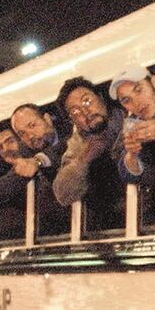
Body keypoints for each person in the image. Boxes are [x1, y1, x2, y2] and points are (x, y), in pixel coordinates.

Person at [53, 78, 126, 229]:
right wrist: (84, 158)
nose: (86, 112)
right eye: (75, 111)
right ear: (73, 121)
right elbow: (63, 194)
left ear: (100, 98)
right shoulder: (78, 144)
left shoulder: (129, 117)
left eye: (87, 101)